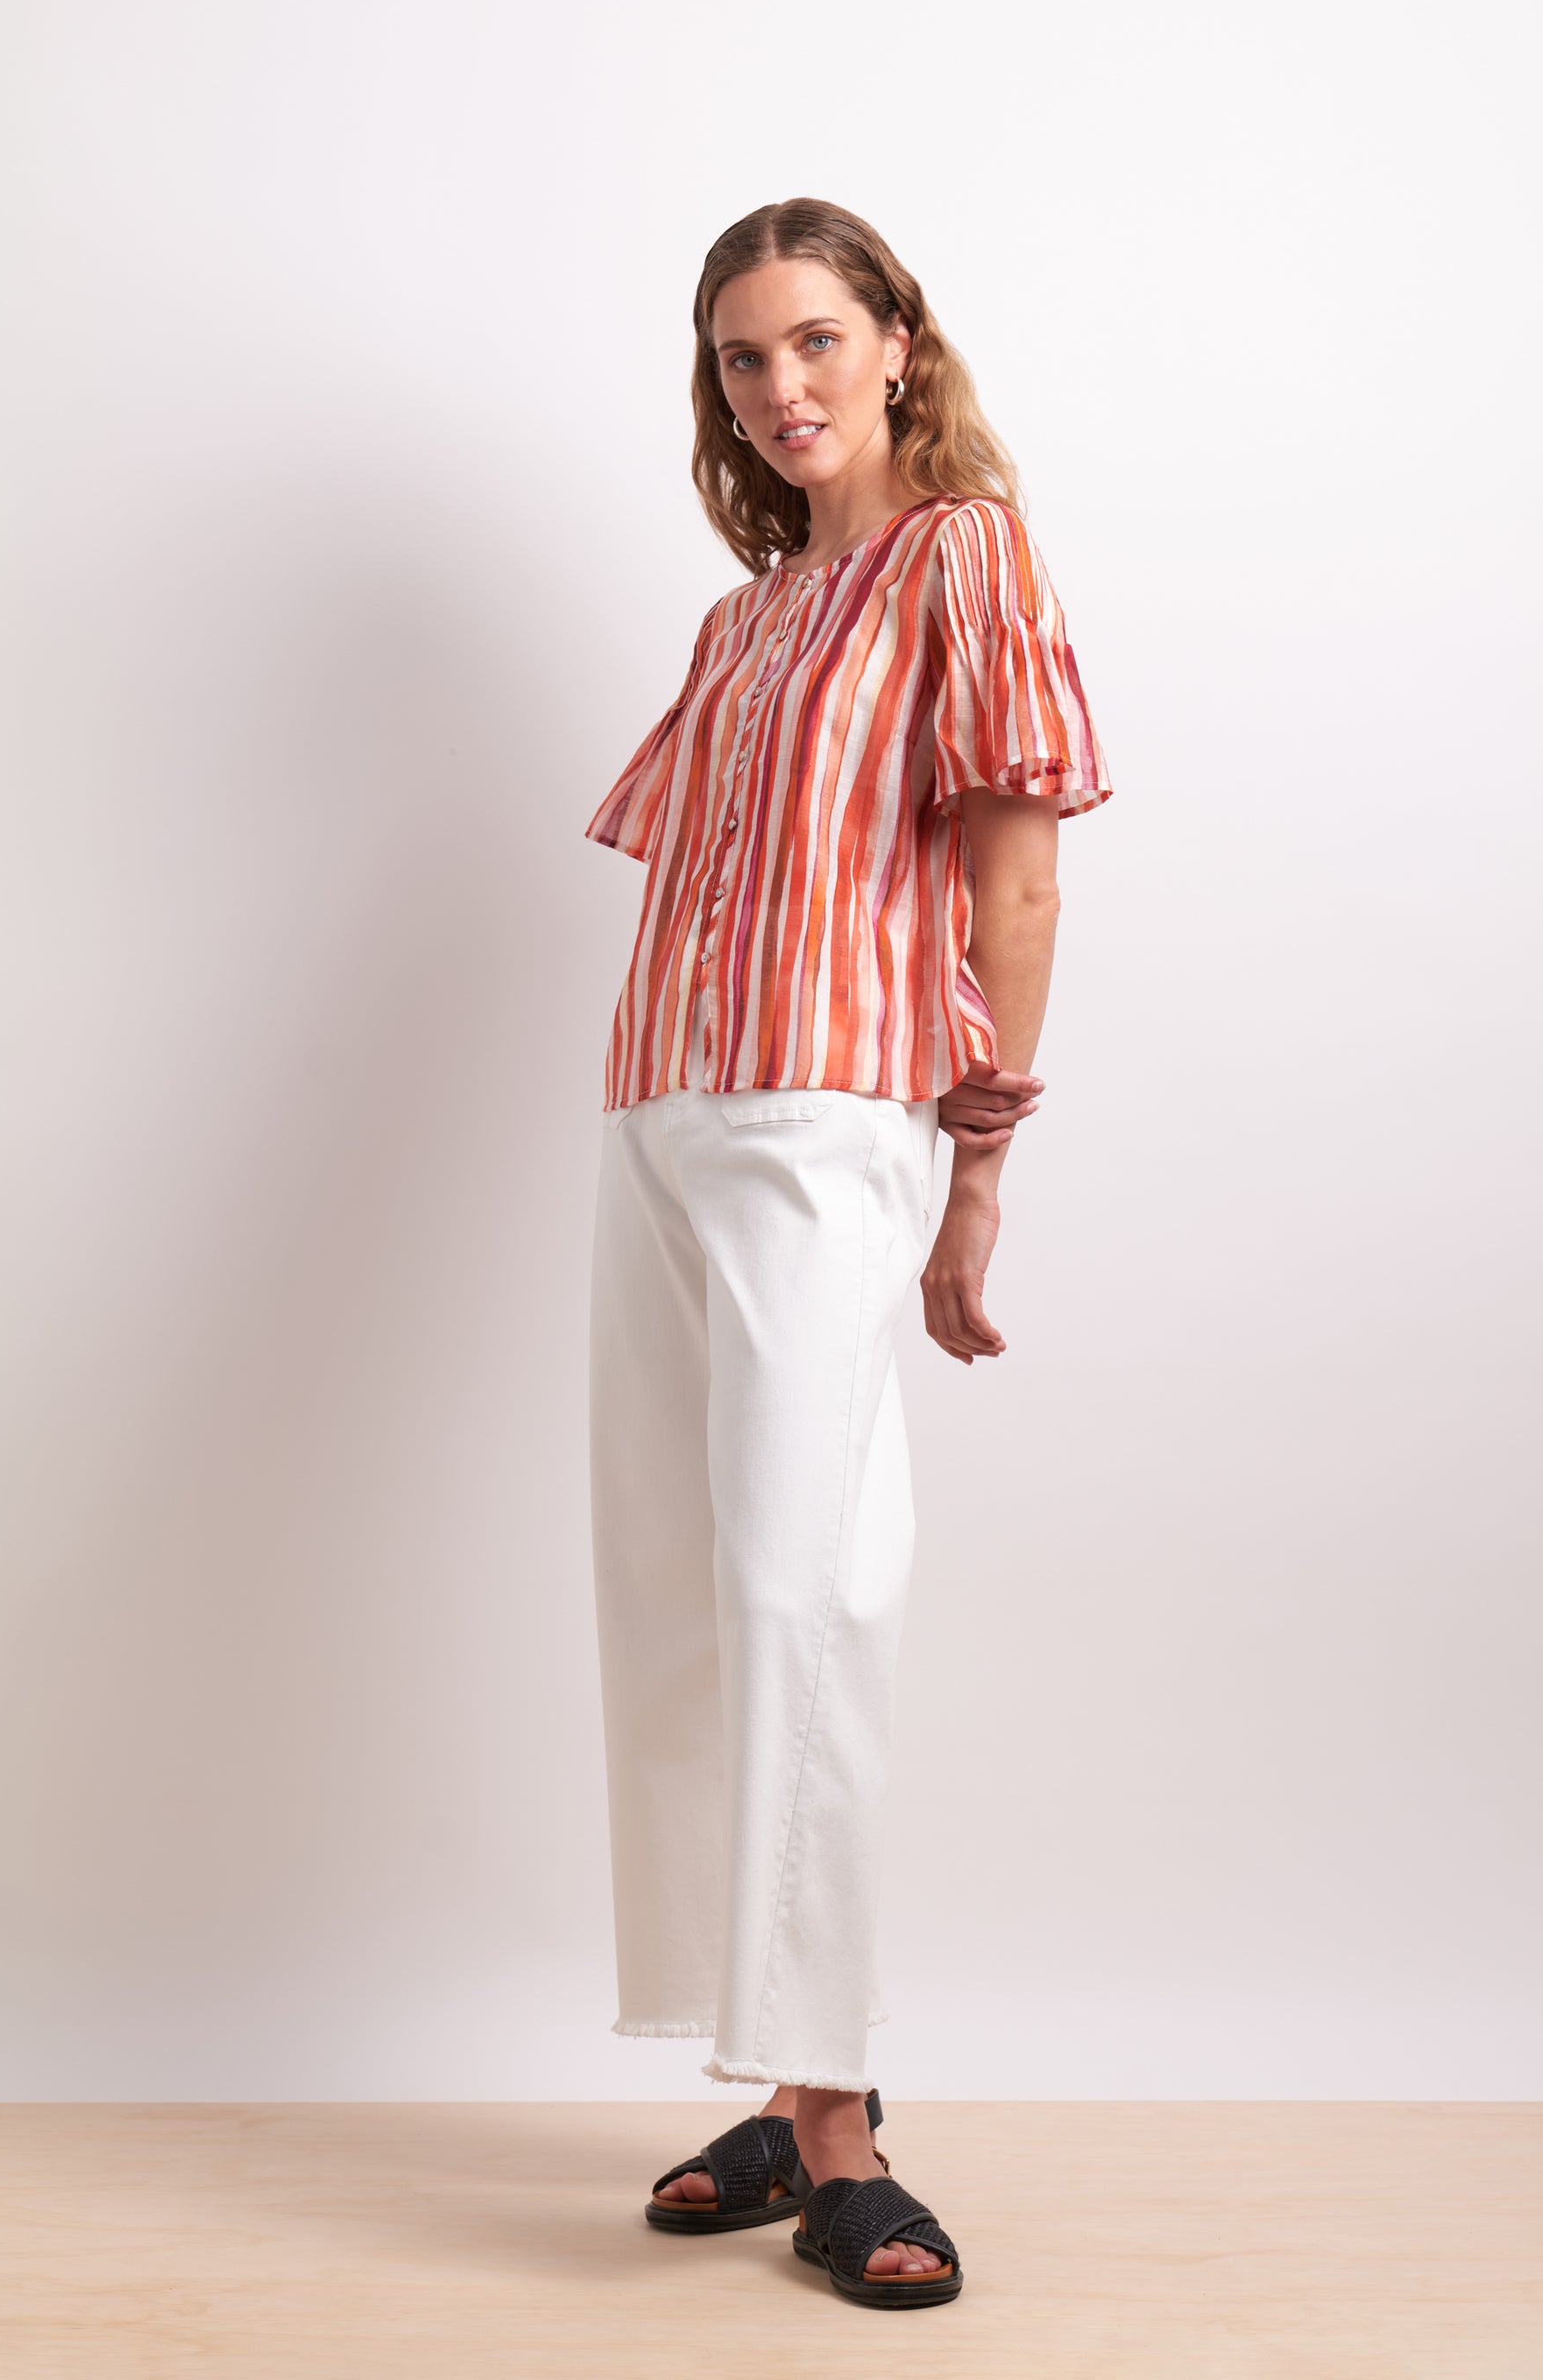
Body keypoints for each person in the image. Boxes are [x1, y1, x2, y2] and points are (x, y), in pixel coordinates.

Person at [584, 197, 1112, 2309]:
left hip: (828, 1116)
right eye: (741, 357)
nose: (778, 386)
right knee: (685, 1604)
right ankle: (769, 2057)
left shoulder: (965, 555)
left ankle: (836, 2124)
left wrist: (975, 1175)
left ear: (898, 340)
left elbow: (1016, 881)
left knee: (809, 1588)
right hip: (657, 1112)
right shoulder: (744, 620)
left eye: (814, 339)